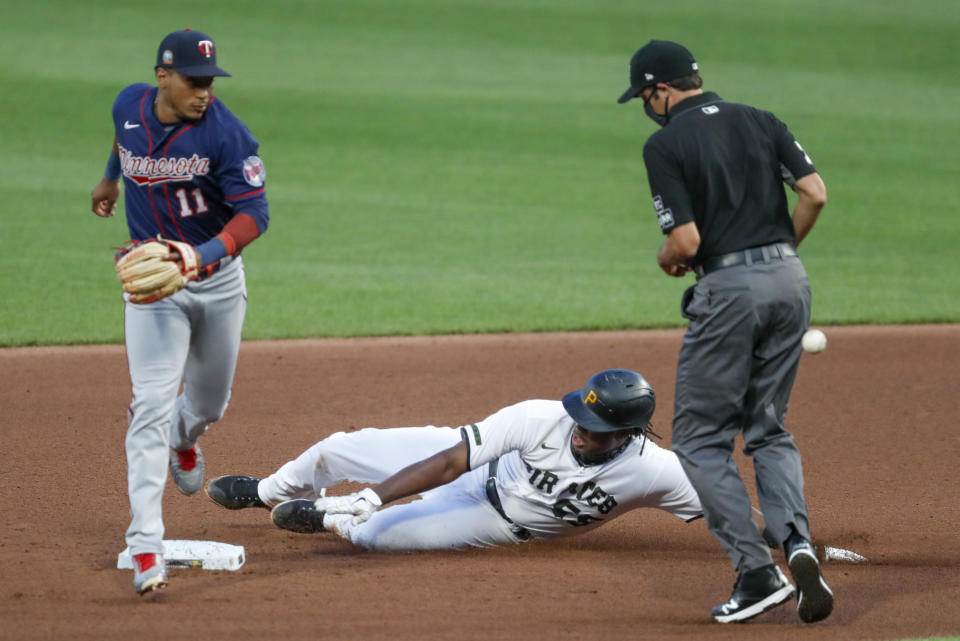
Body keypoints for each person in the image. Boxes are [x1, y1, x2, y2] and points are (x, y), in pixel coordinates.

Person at [617, 40, 832, 624]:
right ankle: (799, 543)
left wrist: (668, 258)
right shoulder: (761, 119)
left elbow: (685, 242)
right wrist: (778, 252)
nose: (646, 105)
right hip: (791, 280)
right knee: (767, 427)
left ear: (659, 89)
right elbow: (815, 193)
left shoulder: (665, 143)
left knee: (699, 440)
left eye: (644, 95)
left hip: (730, 292)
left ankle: (757, 571)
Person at [89, 29, 270, 595]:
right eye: (194, 81)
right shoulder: (129, 105)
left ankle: (185, 436)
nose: (204, 92)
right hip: (154, 294)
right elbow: (125, 143)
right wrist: (111, 179)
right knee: (148, 405)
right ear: (162, 75)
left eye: (210, 82)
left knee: (210, 400)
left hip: (215, 284)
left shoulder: (227, 135)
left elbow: (254, 216)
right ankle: (146, 546)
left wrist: (200, 254)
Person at [204, 369, 705, 552]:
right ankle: (269, 490)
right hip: (472, 468)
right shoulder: (539, 417)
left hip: (494, 521)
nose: (581, 433)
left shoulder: (656, 470)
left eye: (595, 432)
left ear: (627, 434)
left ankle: (334, 519)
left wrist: (788, 542)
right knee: (336, 449)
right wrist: (372, 492)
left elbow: (732, 513)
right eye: (581, 420)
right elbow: (450, 461)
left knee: (374, 536)